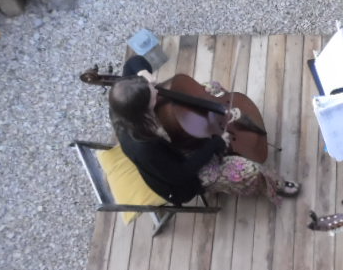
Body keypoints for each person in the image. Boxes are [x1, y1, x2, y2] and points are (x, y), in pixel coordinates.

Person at [107, 56, 298, 205]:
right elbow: (182, 173)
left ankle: (217, 122)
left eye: (150, 87)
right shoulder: (145, 147)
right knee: (249, 170)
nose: (156, 90)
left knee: (211, 87)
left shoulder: (122, 104)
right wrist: (215, 143)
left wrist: (144, 74)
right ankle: (274, 185)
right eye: (151, 95)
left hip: (176, 133)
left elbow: (133, 62)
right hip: (180, 175)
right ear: (141, 110)